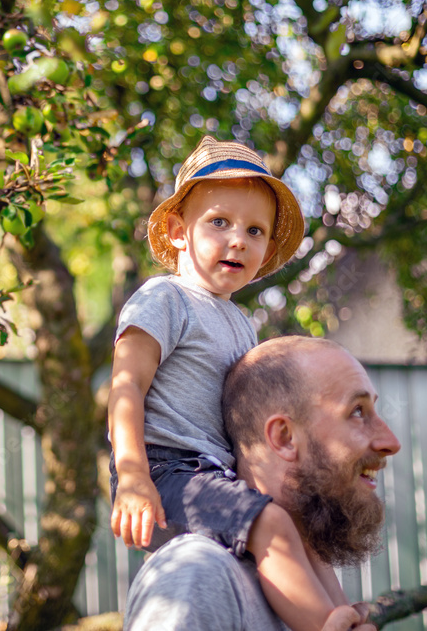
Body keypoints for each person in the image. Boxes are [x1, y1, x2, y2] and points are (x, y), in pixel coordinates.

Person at [107, 136, 337, 630]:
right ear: (176, 231)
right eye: (219, 222)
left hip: (221, 473)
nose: (238, 239)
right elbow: (125, 387)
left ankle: (345, 613)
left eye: (254, 230)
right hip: (168, 473)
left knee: (299, 519)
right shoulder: (164, 299)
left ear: (268, 247)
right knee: (270, 524)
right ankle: (325, 626)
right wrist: (132, 478)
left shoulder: (241, 324)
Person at [123, 336, 401, 631]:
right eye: (357, 411)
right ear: (284, 437)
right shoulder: (199, 575)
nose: (391, 442)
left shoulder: (309, 578)